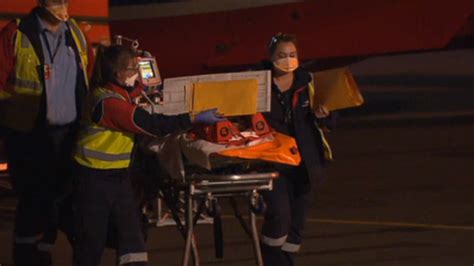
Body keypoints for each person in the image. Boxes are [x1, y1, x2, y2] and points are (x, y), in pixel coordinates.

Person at [72, 44, 223, 266]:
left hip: (118, 177)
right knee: (92, 243)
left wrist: (143, 80)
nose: (136, 73)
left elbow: (132, 93)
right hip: (94, 179)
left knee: (132, 238)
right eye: (133, 68)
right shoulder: (108, 103)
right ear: (119, 73)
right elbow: (152, 125)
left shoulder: (114, 93)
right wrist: (193, 118)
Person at [0, 0, 90, 265]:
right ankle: (29, 258)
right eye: (56, 2)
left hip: (70, 135)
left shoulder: (75, 32)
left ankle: (48, 251)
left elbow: (87, 76)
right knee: (33, 203)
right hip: (29, 136)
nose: (62, 6)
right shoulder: (16, 34)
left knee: (67, 201)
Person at [260, 33, 334, 266]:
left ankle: (286, 261)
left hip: (305, 164)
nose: (288, 60)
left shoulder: (307, 83)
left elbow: (329, 123)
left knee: (297, 224)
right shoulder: (259, 85)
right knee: (279, 216)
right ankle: (272, 261)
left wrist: (325, 116)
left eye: (292, 55)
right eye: (282, 55)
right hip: (273, 163)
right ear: (271, 57)